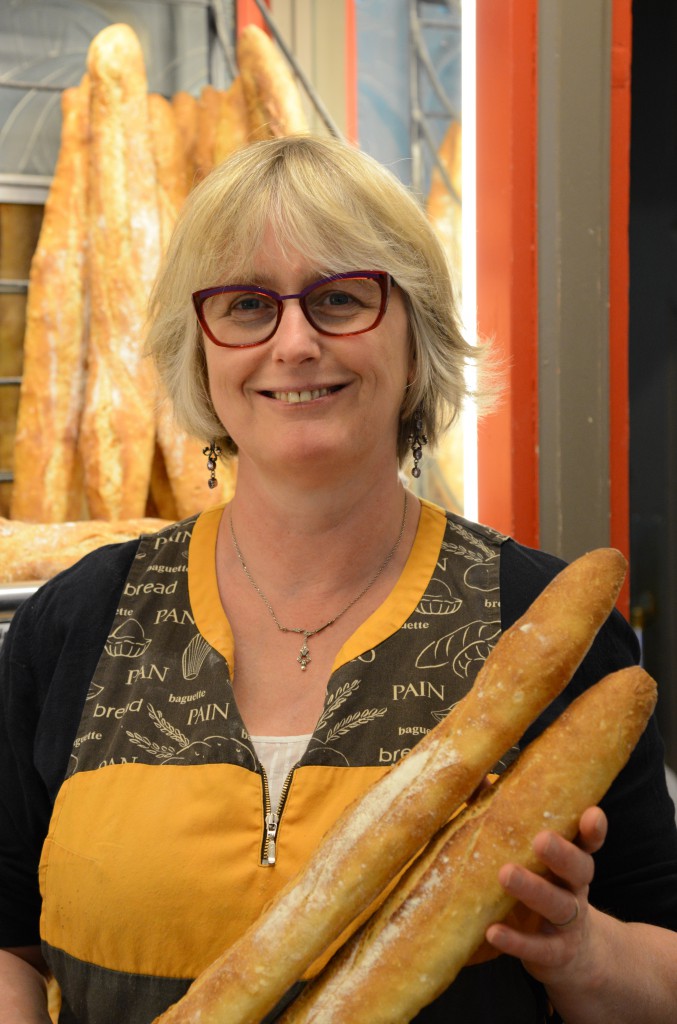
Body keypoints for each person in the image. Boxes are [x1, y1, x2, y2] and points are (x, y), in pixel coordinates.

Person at [1, 133, 676, 1024]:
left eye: (341, 299)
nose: (294, 342)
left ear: (415, 336)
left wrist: (580, 951)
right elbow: (8, 937)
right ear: (200, 348)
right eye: (245, 306)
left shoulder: (542, 625)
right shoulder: (77, 623)